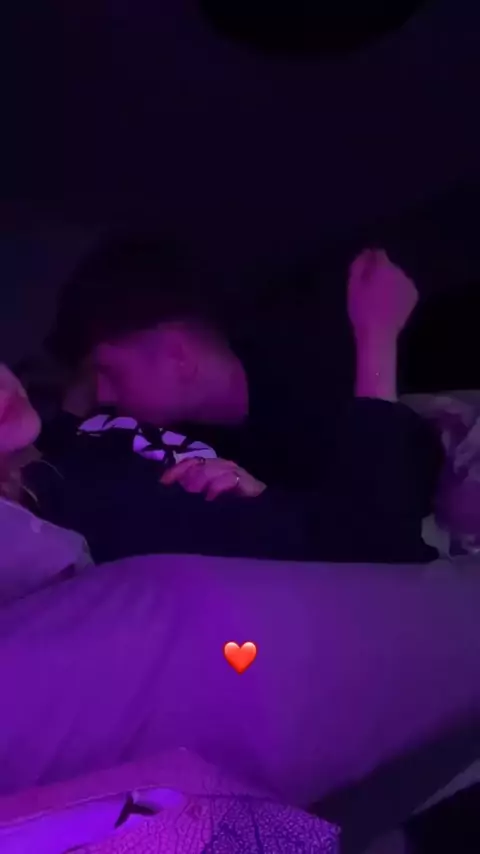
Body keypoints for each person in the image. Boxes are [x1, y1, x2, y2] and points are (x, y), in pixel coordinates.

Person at [25, 238, 441, 564]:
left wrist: (377, 335)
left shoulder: (309, 381)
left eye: (109, 373)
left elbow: (380, 528)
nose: (101, 394)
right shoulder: (165, 442)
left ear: (178, 357)